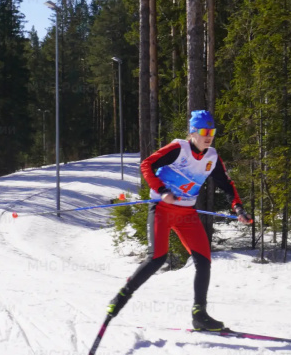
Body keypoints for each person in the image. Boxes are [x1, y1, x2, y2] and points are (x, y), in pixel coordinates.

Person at [106, 110, 253, 331]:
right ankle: (120, 298)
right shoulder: (179, 148)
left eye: (211, 131)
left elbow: (227, 185)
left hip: (187, 214)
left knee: (203, 260)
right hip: (162, 209)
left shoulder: (211, 157)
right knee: (157, 258)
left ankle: (199, 315)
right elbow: (147, 164)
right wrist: (162, 189)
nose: (208, 135)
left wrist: (239, 208)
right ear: (193, 133)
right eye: (204, 131)